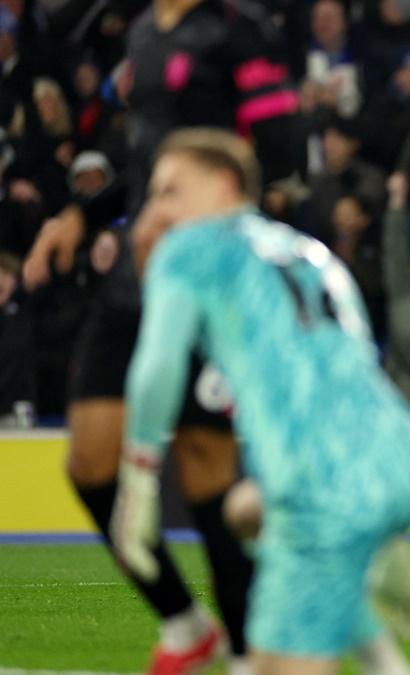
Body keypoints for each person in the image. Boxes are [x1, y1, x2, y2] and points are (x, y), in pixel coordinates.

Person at [20, 0, 301, 669]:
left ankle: (241, 649)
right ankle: (183, 620)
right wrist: (81, 217)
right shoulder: (145, 32)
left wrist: (207, 206)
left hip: (210, 278)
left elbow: (286, 150)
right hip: (136, 277)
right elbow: (147, 166)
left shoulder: (239, 33)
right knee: (88, 464)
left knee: (207, 473)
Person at [111, 128, 410, 675]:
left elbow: (156, 367)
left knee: (275, 667)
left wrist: (139, 475)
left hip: (321, 487)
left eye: (171, 190)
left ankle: (366, 557)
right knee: (245, 511)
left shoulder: (191, 248)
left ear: (223, 184)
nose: (157, 208)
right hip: (402, 457)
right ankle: (374, 586)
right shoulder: (307, 252)